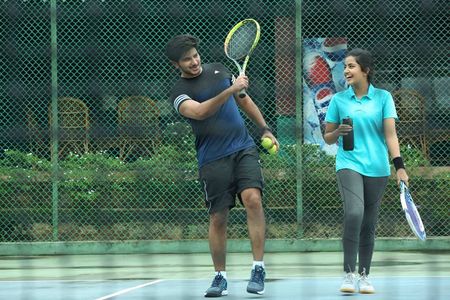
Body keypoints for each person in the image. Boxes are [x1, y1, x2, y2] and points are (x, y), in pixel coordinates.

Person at [165, 34, 279, 297]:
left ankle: (258, 269)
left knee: (253, 199)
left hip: (243, 148)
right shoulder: (178, 92)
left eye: (195, 55)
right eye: (186, 60)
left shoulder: (219, 70)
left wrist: (264, 128)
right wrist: (229, 89)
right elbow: (201, 112)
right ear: (176, 65)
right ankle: (220, 277)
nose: (193, 62)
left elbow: (243, 99)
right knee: (218, 217)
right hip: (212, 159)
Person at [323, 48, 409, 294]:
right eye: (345, 67)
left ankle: (364, 276)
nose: (346, 71)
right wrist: (336, 132)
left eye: (351, 66)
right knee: (354, 213)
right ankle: (349, 273)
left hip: (378, 168)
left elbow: (390, 135)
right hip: (348, 164)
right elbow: (327, 137)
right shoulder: (339, 100)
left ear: (365, 70)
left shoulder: (383, 98)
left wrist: (399, 167)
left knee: (369, 223)